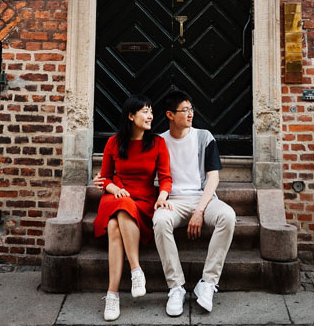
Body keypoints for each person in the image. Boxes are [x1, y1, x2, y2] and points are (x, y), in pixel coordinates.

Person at [152, 89, 237, 317]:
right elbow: (151, 177)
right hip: (173, 201)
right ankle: (176, 287)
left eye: (191, 109)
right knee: (160, 221)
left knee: (227, 216)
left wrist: (200, 210)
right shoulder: (159, 142)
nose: (190, 114)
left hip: (203, 199)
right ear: (170, 115)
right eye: (184, 110)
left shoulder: (204, 137)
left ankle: (208, 283)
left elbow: (214, 177)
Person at [92, 94, 172, 322]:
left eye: (151, 111)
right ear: (130, 115)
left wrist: (163, 196)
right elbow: (105, 178)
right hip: (117, 196)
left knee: (114, 226)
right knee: (122, 205)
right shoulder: (113, 143)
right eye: (145, 111)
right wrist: (112, 188)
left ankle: (112, 293)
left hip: (146, 200)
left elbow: (166, 178)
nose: (150, 116)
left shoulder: (158, 143)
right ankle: (135, 271)